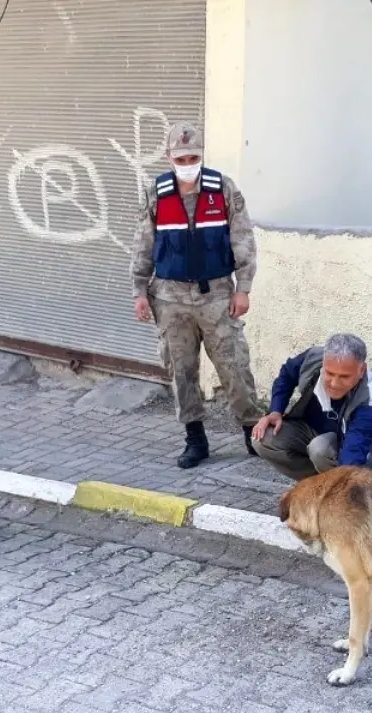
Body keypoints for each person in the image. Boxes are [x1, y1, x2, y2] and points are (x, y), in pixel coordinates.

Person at [131, 121, 263, 469]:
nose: (188, 161)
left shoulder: (222, 188)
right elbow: (143, 244)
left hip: (217, 295)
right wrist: (139, 291)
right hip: (170, 298)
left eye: (193, 156)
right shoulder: (155, 193)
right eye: (181, 157)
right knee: (181, 370)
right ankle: (195, 438)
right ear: (168, 157)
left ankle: (253, 433)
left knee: (234, 365)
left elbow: (243, 239)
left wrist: (244, 288)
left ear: (202, 155)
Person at [252, 334, 372, 480]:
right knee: (262, 437)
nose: (334, 383)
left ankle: (338, 491)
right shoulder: (312, 358)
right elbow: (286, 375)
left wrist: (348, 482)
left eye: (344, 377)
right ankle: (317, 486)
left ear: (361, 370)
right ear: (323, 362)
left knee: (319, 449)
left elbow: (355, 449)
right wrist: (275, 411)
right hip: (314, 432)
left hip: (357, 458)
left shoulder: (369, 398)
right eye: (329, 373)